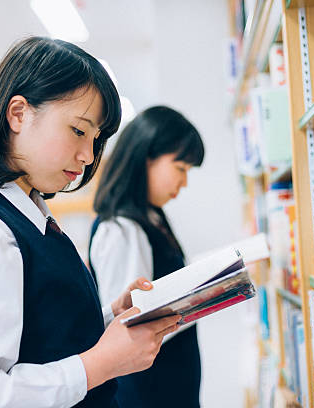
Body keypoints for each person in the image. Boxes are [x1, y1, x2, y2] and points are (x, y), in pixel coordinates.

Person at [0, 36, 182, 407]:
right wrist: (99, 364)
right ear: (18, 114)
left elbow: (42, 338)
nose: (88, 156)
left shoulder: (29, 214)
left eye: (96, 139)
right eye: (78, 130)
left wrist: (108, 316)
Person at [89, 105, 205, 408]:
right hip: (147, 395)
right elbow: (129, 329)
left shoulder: (152, 216)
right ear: (146, 158)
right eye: (180, 169)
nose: (184, 183)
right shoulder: (122, 229)